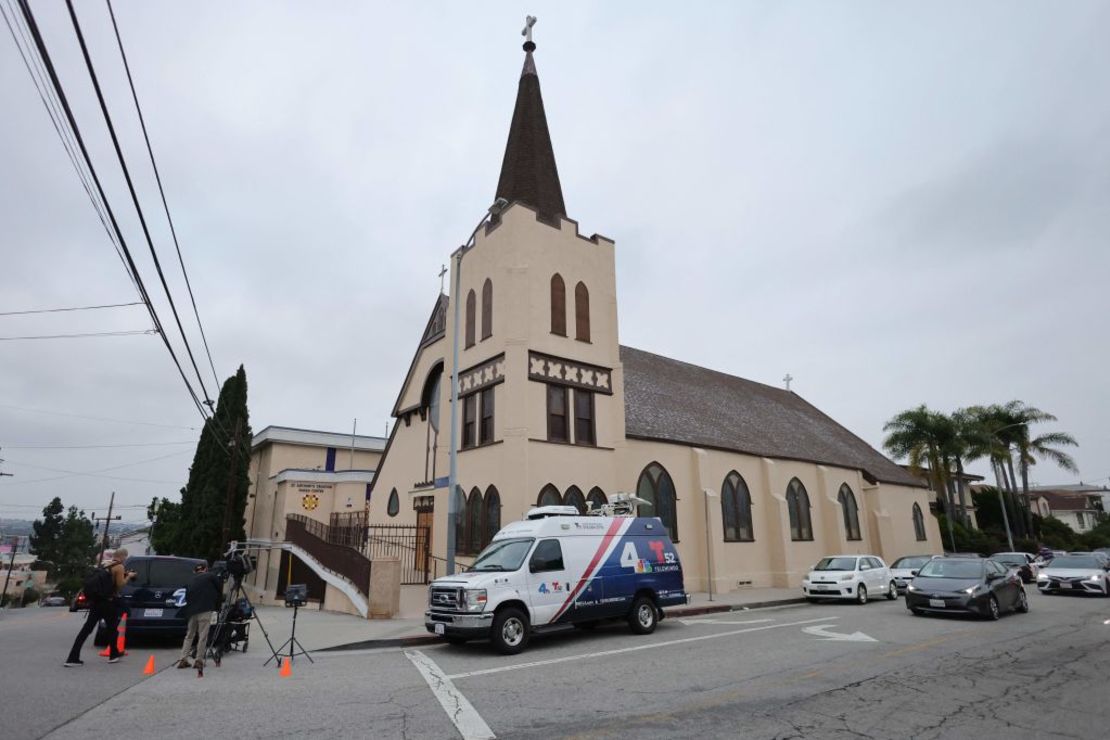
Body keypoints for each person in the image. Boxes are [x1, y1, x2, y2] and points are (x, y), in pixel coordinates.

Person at [64, 548, 135, 667]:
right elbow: (119, 585)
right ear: (123, 556)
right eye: (125, 557)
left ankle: (73, 657)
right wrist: (129, 576)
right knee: (112, 629)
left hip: (96, 602)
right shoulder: (119, 567)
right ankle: (113, 655)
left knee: (86, 630)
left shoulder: (105, 565)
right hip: (108, 602)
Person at [177, 562, 222, 669]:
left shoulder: (190, 579)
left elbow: (186, 596)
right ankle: (199, 661)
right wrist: (217, 606)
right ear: (206, 569)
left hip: (191, 611)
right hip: (205, 609)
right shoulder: (211, 576)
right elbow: (219, 590)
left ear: (195, 571)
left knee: (189, 635)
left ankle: (183, 659)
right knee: (203, 636)